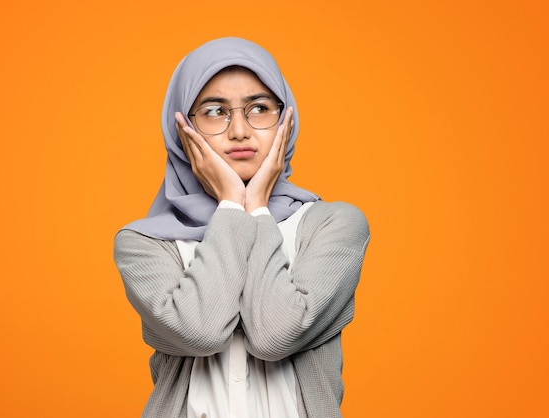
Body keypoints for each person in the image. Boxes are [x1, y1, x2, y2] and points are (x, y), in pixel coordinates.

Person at [114, 37, 370, 418]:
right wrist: (233, 204)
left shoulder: (333, 224)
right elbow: (200, 330)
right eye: (215, 111)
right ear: (182, 128)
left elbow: (275, 335)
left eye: (260, 108)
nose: (239, 131)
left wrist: (258, 210)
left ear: (287, 120)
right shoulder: (145, 243)